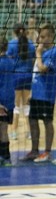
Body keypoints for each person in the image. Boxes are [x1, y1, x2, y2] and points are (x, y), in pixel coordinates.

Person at [23, 23, 56, 162]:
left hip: (46, 95)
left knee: (47, 122)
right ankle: (34, 150)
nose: (40, 39)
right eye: (40, 36)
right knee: (32, 120)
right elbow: (36, 74)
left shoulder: (54, 52)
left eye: (43, 36)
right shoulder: (43, 52)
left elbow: (43, 68)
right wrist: (31, 93)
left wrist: (38, 54)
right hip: (37, 94)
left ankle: (47, 152)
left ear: (51, 37)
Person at [7, 22, 35, 141]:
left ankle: (14, 131)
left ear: (14, 31)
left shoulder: (12, 44)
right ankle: (29, 132)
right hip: (28, 76)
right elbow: (34, 59)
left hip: (16, 77)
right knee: (27, 106)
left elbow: (8, 60)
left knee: (16, 105)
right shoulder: (30, 44)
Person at [0, 36, 14, 165]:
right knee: (4, 130)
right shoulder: (10, 61)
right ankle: (6, 157)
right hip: (10, 101)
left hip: (1, 102)